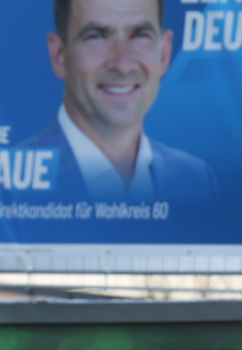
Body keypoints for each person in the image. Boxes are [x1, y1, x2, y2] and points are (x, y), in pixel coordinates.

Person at [22, 0, 216, 203]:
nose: (122, 65)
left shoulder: (198, 181)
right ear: (59, 55)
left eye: (140, 35)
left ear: (164, 54)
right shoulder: (8, 192)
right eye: (96, 36)